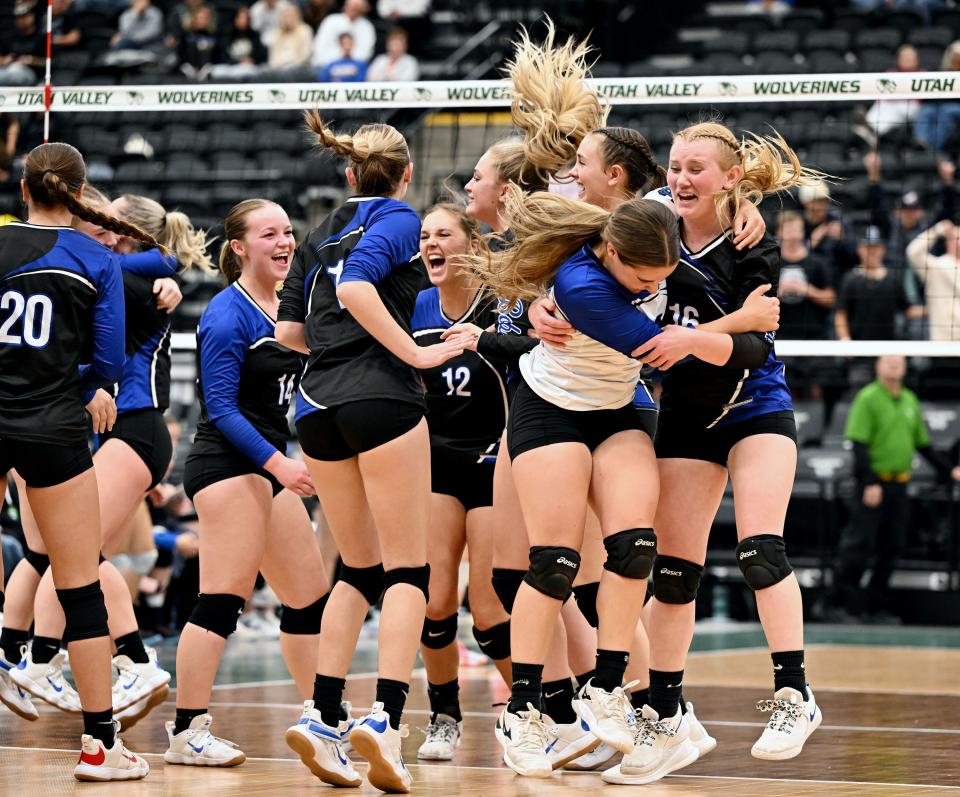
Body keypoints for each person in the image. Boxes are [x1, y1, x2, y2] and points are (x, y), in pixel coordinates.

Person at [604, 122, 823, 783]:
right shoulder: (650, 225)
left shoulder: (749, 241)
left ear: (731, 178)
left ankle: (795, 693)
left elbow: (758, 344)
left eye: (696, 167)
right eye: (674, 166)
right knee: (672, 574)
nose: (681, 177)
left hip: (756, 405)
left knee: (762, 550)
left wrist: (688, 340)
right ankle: (664, 718)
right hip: (687, 416)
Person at [466, 187, 683, 778]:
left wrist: (742, 210)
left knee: (635, 548)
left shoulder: (654, 225)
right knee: (555, 563)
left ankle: (607, 688)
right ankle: (523, 711)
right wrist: (746, 323)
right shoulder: (583, 285)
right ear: (611, 251)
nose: (651, 287)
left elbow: (693, 195)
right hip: (551, 406)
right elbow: (666, 349)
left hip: (618, 407)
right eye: (641, 278)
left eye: (659, 278)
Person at [276, 114, 461, 794]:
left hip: (316, 407)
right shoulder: (401, 221)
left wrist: (335, 353)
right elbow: (356, 288)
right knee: (409, 565)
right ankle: (385, 715)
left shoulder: (319, 228)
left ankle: (325, 714)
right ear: (405, 174)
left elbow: (288, 329)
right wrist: (414, 351)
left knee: (358, 563)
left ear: (349, 173)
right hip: (380, 397)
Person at [5, 186, 190, 730]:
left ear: (123, 234)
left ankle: (39, 657)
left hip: (136, 427)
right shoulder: (102, 276)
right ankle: (121, 659)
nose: (95, 227)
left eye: (105, 222)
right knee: (59, 551)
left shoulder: (126, 278)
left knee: (67, 555)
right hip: (91, 428)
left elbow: (157, 259)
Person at [0, 141, 149, 781]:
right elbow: (110, 364)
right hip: (52, 426)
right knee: (79, 585)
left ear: (23, 188)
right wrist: (74, 375)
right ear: (80, 194)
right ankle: (99, 747)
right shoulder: (95, 258)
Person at [167, 198, 330, 766]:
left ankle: (324, 715)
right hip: (228, 462)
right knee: (221, 600)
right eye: (269, 234)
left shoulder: (292, 308)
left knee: (309, 597)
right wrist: (280, 464)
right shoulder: (226, 313)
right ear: (238, 247)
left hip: (268, 468)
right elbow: (221, 407)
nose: (285, 242)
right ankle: (188, 731)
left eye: (288, 232)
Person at [410, 204, 511, 761]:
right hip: (436, 463)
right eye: (425, 236)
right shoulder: (414, 304)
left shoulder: (499, 303)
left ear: (472, 242)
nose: (431, 244)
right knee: (435, 598)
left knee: (491, 606)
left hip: (495, 461)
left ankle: (532, 706)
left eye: (443, 234)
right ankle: (444, 715)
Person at [831, 355, 960, 622]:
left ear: (905, 366)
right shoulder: (868, 398)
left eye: (898, 360)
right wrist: (870, 482)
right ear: (878, 366)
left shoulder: (910, 399)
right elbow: (858, 444)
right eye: (888, 360)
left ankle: (874, 607)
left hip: (900, 485)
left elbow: (923, 445)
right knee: (858, 546)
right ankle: (837, 604)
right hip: (873, 484)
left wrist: (949, 471)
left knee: (892, 547)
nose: (893, 364)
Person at [835, 225, 924, 343]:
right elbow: (841, 314)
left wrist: (933, 308)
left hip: (886, 350)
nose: (871, 251)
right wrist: (846, 341)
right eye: (867, 247)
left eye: (875, 247)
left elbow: (908, 310)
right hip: (858, 350)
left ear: (883, 249)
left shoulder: (893, 278)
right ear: (859, 249)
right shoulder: (850, 279)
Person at [907, 218, 960, 341]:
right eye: (955, 238)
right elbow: (913, 252)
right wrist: (937, 230)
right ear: (947, 242)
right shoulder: (936, 267)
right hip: (943, 342)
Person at [311, 0, 375, 68]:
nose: (354, 9)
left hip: (353, 68)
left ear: (363, 9)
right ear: (345, 6)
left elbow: (366, 53)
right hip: (325, 65)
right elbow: (319, 47)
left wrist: (347, 57)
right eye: (352, 6)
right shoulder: (331, 20)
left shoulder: (367, 26)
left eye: (357, 7)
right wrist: (340, 55)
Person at [267, 3, 313, 71]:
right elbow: (272, 57)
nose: (287, 19)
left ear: (297, 16)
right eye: (285, 16)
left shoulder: (305, 30)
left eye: (290, 16)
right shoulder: (277, 33)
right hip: (278, 69)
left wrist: (288, 62)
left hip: (299, 68)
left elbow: (306, 55)